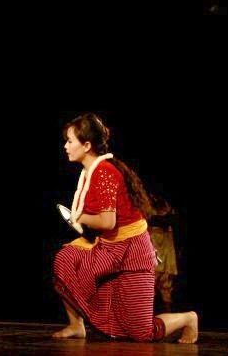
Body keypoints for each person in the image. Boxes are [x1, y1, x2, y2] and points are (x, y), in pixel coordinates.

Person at [52, 113, 197, 343]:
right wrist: (81, 220)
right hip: (110, 249)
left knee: (141, 333)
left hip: (132, 252)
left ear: (87, 145)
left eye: (70, 141)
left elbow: (107, 222)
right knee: (66, 258)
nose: (65, 146)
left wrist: (79, 217)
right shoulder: (90, 172)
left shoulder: (104, 172)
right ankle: (76, 325)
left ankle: (189, 319)